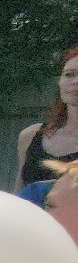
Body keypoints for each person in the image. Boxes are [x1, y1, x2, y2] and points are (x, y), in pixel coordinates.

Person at [15, 47, 78, 189]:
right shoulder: (31, 136)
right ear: (59, 81)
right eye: (69, 74)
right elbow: (19, 194)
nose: (75, 81)